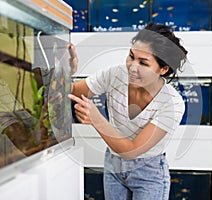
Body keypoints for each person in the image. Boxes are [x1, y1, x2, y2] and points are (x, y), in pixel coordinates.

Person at [68, 22, 188, 200]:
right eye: (131, 56)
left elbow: (131, 151)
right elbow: (72, 90)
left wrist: (96, 119)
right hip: (113, 165)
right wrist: (68, 71)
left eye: (143, 63)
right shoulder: (115, 75)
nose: (132, 66)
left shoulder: (172, 104)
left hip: (149, 173)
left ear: (163, 69)